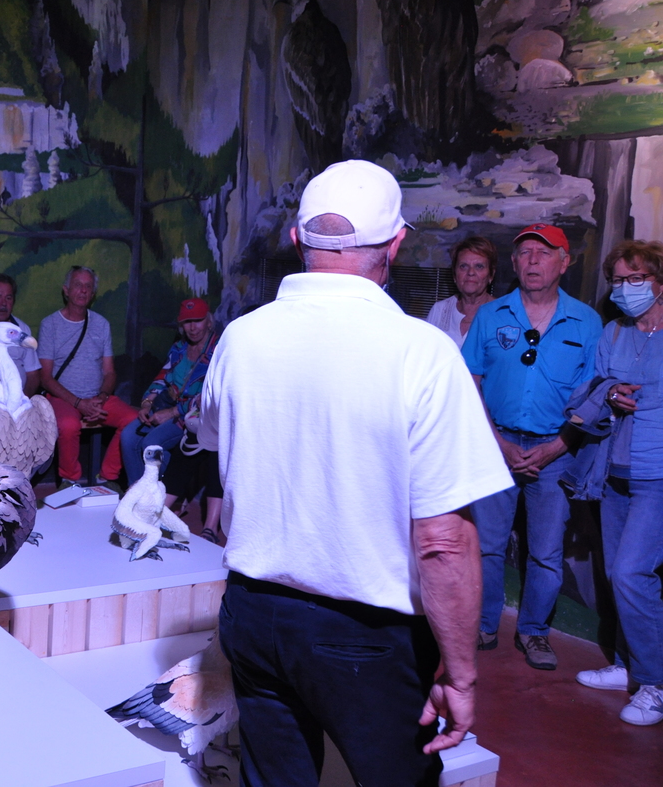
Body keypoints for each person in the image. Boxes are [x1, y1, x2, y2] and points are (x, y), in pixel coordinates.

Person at [199, 160, 512, 786]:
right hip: (365, 634)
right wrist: (461, 673)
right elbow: (443, 541)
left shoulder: (240, 338)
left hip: (253, 614)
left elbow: (214, 441)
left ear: (298, 240)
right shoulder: (422, 352)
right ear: (395, 245)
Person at [462, 223, 601, 670]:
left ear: (564, 262)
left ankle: (534, 631)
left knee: (545, 552)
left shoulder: (586, 321)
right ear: (514, 263)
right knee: (487, 546)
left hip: (555, 454)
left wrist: (556, 447)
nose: (533, 261)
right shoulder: (491, 315)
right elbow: (470, 382)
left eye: (544, 253)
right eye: (524, 253)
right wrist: (497, 442)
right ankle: (485, 625)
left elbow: (594, 397)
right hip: (496, 446)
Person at [573, 240, 663, 726]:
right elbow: (589, 385)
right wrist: (611, 393)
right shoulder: (613, 332)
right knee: (617, 575)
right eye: (619, 280)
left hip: (658, 475)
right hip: (614, 471)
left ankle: (656, 683)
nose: (625, 288)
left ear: (659, 281)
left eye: (636, 278)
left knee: (632, 573)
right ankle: (629, 666)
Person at [37, 266, 138, 488]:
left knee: (133, 419)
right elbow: (45, 377)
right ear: (66, 290)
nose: (83, 290)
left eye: (88, 286)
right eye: (77, 285)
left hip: (97, 398)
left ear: (93, 294)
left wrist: (101, 397)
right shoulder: (50, 324)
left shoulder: (101, 324)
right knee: (68, 425)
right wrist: (78, 403)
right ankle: (69, 480)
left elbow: (109, 372)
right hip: (63, 398)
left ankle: (108, 477)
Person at [120, 298, 218, 485]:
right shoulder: (179, 348)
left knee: (151, 445)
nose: (192, 328)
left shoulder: (218, 351)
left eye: (198, 320)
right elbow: (162, 377)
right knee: (128, 437)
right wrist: (147, 403)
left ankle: (167, 490)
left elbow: (210, 397)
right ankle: (138, 493)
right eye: (187, 322)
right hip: (166, 407)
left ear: (209, 321)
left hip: (194, 416)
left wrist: (173, 412)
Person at [426, 236, 497, 348]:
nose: (471, 272)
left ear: (491, 275)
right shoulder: (439, 310)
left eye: (479, 266)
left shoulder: (502, 314)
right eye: (463, 266)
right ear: (455, 275)